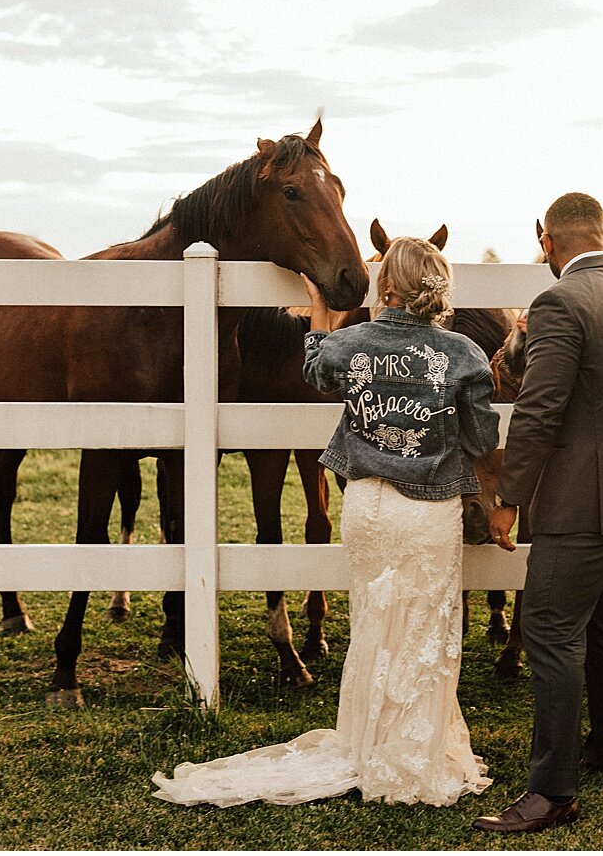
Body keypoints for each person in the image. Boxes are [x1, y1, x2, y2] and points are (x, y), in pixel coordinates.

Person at [151, 236, 502, 808]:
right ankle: (412, 749)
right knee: (423, 629)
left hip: (367, 506)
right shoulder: (463, 354)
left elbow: (314, 370)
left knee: (372, 624)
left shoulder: (352, 343)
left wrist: (319, 307)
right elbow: (483, 438)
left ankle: (366, 744)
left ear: (385, 288)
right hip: (428, 509)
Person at [472, 193, 603, 834]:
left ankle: (554, 791)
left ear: (546, 241)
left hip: (584, 497)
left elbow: (538, 411)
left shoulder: (557, 302)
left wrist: (506, 498)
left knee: (550, 630)